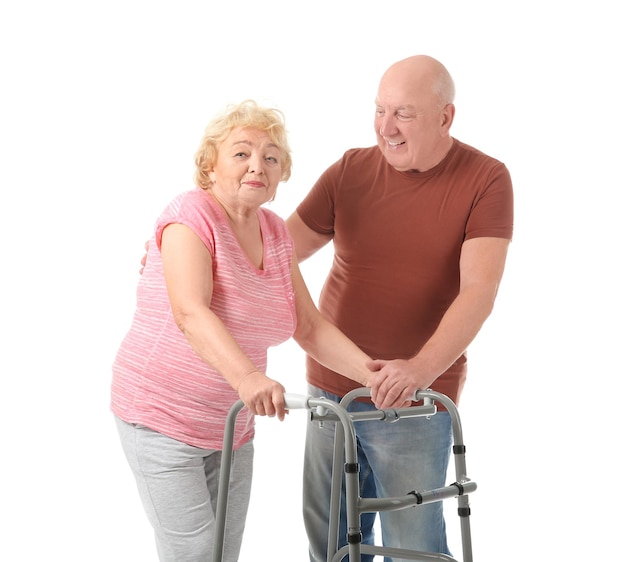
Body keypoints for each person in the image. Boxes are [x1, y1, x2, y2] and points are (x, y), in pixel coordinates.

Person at [111, 100, 381, 562]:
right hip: (160, 416)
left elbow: (310, 327)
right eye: (241, 153)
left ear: (281, 175)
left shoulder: (276, 233)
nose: (258, 165)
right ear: (209, 165)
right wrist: (249, 379)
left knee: (222, 553)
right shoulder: (190, 215)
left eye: (271, 157)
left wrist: (373, 376)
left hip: (231, 425)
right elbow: (190, 312)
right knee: (196, 554)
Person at [285, 55, 514, 561]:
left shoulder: (486, 179)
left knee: (413, 545)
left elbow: (479, 291)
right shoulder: (349, 169)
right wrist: (193, 248)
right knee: (330, 540)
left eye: (404, 113)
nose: (386, 127)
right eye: (380, 109)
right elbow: (275, 251)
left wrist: (418, 372)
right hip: (332, 384)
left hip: (415, 398)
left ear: (445, 117)